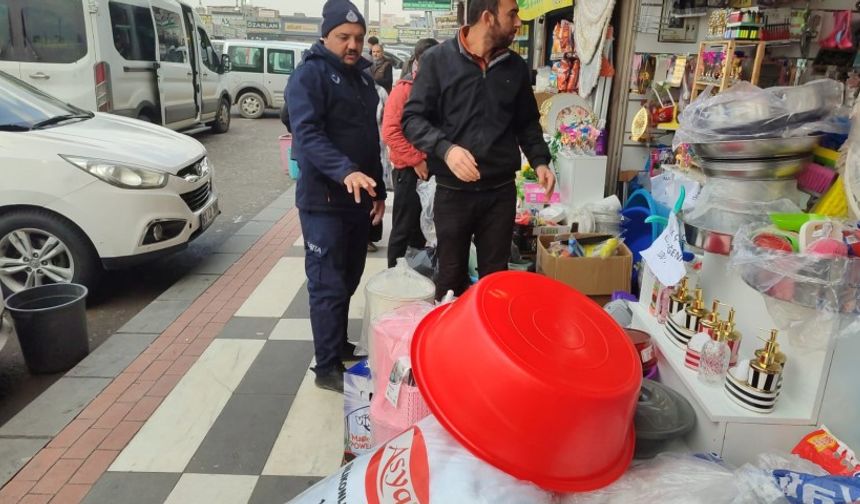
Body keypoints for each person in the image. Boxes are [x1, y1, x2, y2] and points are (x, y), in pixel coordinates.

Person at [402, 0, 555, 300]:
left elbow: (527, 123)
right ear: (488, 17)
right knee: (449, 276)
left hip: (499, 193)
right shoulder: (437, 60)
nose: (517, 22)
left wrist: (540, 162)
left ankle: (486, 341)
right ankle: (449, 343)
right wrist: (446, 150)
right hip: (452, 192)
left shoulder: (515, 67)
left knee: (495, 281)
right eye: (511, 14)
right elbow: (411, 119)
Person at [285, 0, 386, 393]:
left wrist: (376, 188)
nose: (353, 44)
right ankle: (326, 366)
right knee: (327, 283)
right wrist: (345, 171)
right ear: (325, 36)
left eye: (358, 38)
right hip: (323, 202)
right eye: (344, 37)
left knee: (348, 277)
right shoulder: (309, 77)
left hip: (358, 200)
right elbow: (307, 135)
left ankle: (337, 343)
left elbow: (368, 140)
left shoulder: (361, 79)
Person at [382, 38, 439, 268]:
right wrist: (417, 160)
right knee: (403, 229)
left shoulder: (438, 88)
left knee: (422, 229)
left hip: (431, 171)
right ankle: (393, 280)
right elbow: (391, 132)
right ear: (418, 61)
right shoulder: (403, 90)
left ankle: (415, 278)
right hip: (408, 171)